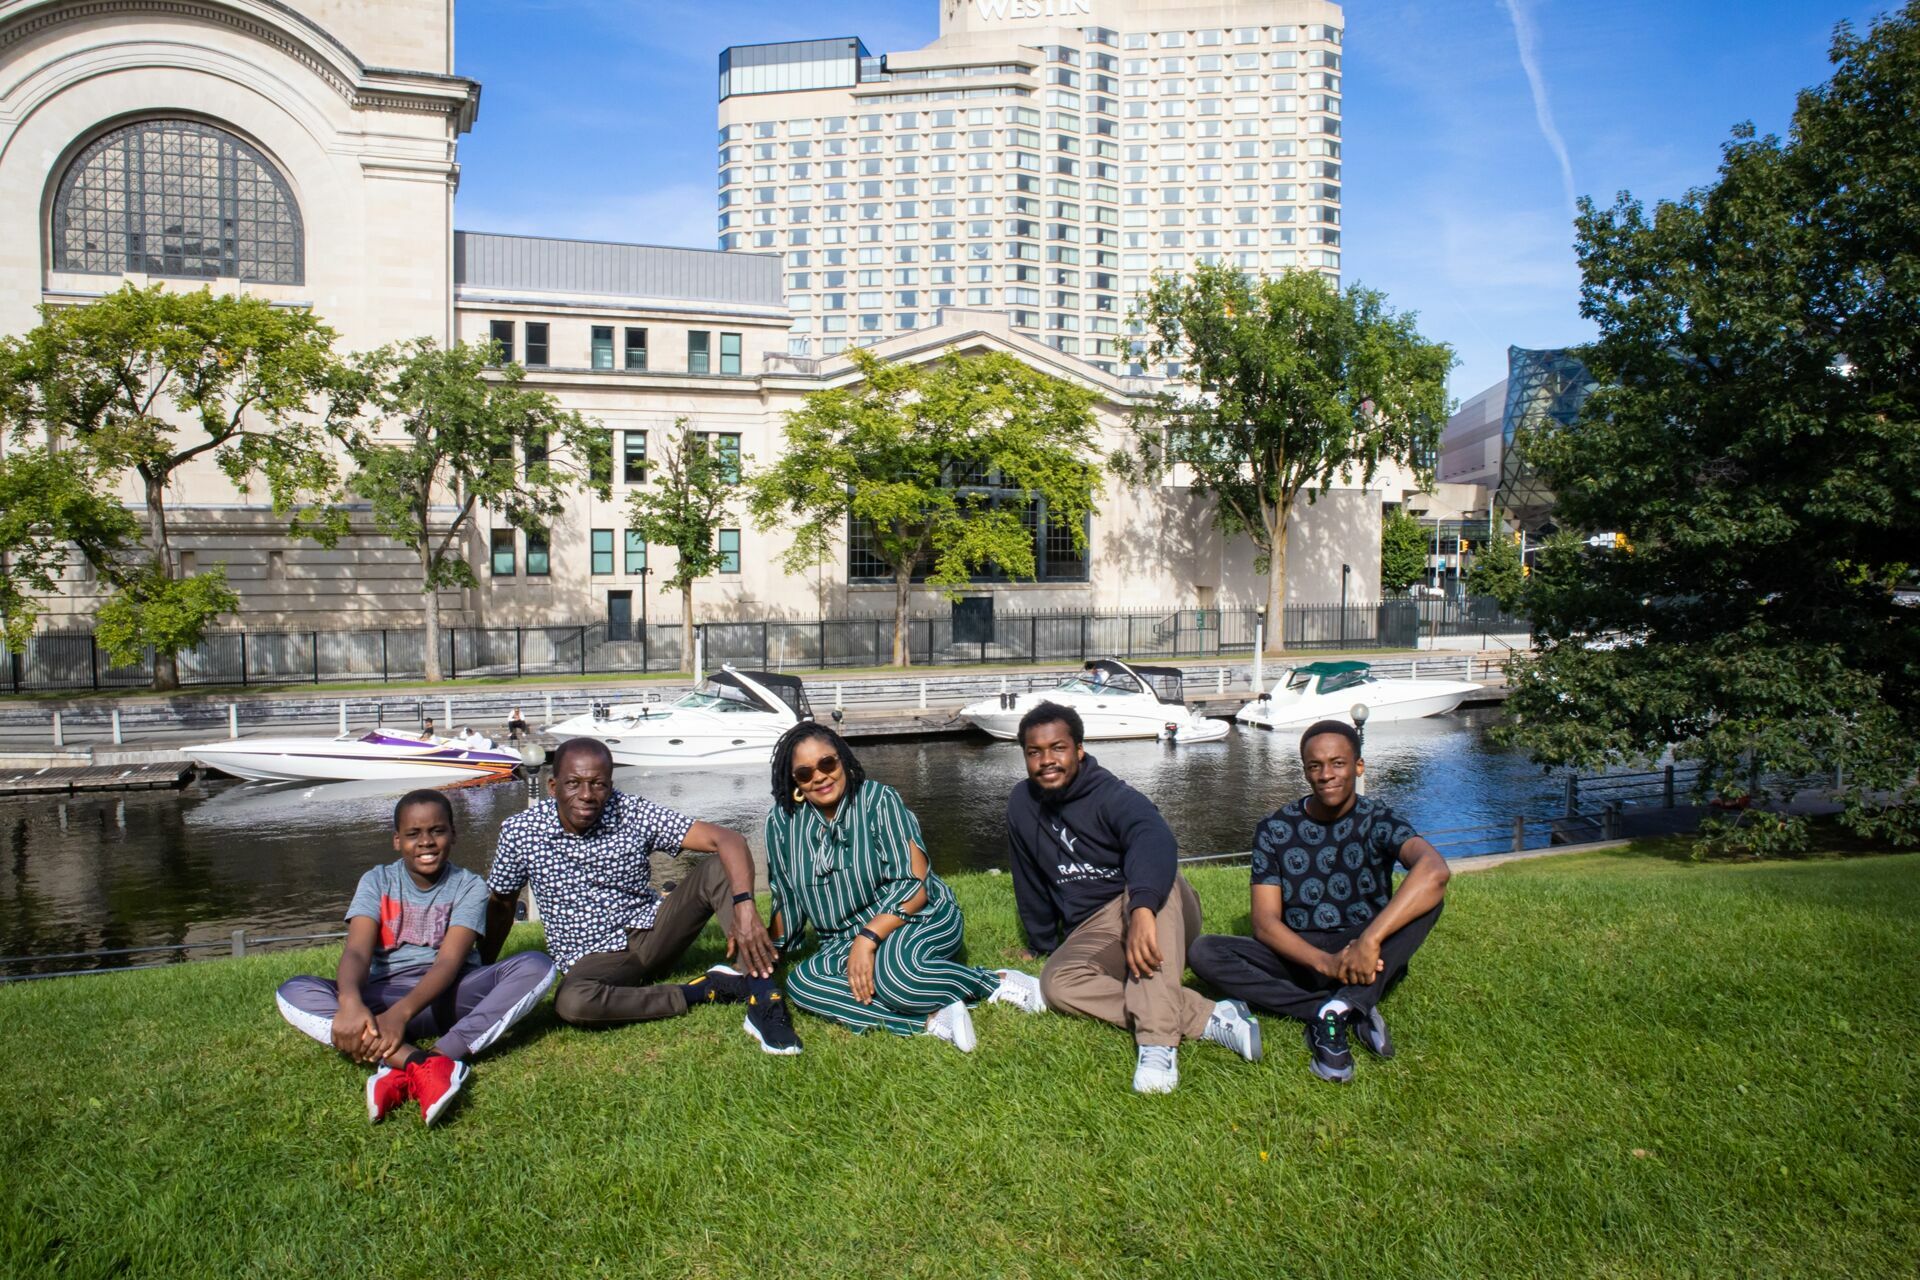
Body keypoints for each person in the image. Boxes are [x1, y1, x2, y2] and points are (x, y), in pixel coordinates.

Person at [483, 738, 801, 1054]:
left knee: (720, 867)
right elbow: (502, 904)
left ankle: (763, 997)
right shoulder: (520, 833)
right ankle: (704, 991)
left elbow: (727, 838)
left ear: (610, 785)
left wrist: (745, 906)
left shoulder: (630, 811)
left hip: (653, 931)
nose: (586, 795)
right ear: (553, 787)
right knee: (573, 1001)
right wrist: (483, 968)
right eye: (573, 783)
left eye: (598, 784)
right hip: (593, 960)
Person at [1006, 701, 1262, 1093]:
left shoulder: (1112, 796)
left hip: (1154, 905)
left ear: (1078, 750)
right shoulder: (1021, 804)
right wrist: (1041, 943)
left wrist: (1140, 907)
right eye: (1034, 752)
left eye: (1057, 748)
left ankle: (1158, 1042)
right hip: (1096, 928)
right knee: (1056, 985)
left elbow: (1154, 838)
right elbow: (1029, 877)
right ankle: (1208, 1016)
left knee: (1160, 883)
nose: (1046, 760)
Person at [1188, 719, 1450, 1084]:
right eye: (1315, 766)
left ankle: (1343, 1003)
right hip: (1300, 953)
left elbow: (1434, 870)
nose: (1327, 774)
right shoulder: (1275, 829)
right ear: (1306, 771)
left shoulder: (1379, 819)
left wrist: (1371, 940)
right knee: (1205, 951)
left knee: (1428, 897)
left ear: (1358, 766)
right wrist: (1326, 963)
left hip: (1366, 948)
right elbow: (1265, 924)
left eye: (1338, 763)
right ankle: (1340, 1007)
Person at [275, 789, 557, 1126]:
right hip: (381, 995)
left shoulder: (468, 886)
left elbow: (448, 963)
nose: (426, 842)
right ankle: (417, 1062)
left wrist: (399, 1016)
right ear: (397, 840)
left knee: (536, 966)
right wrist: (350, 1001)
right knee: (293, 991)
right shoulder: (377, 880)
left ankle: (437, 1055)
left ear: (453, 834)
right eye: (413, 834)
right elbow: (357, 950)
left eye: (437, 831)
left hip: (446, 996)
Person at [763, 724, 1045, 1052]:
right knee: (804, 985)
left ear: (843, 761)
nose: (820, 777)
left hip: (915, 915)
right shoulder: (781, 823)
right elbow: (787, 899)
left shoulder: (879, 800)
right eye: (805, 772)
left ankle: (994, 981)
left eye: (828, 764)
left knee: (897, 979)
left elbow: (914, 884)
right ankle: (930, 1020)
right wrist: (764, 950)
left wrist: (867, 939)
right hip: (841, 940)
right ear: (794, 781)